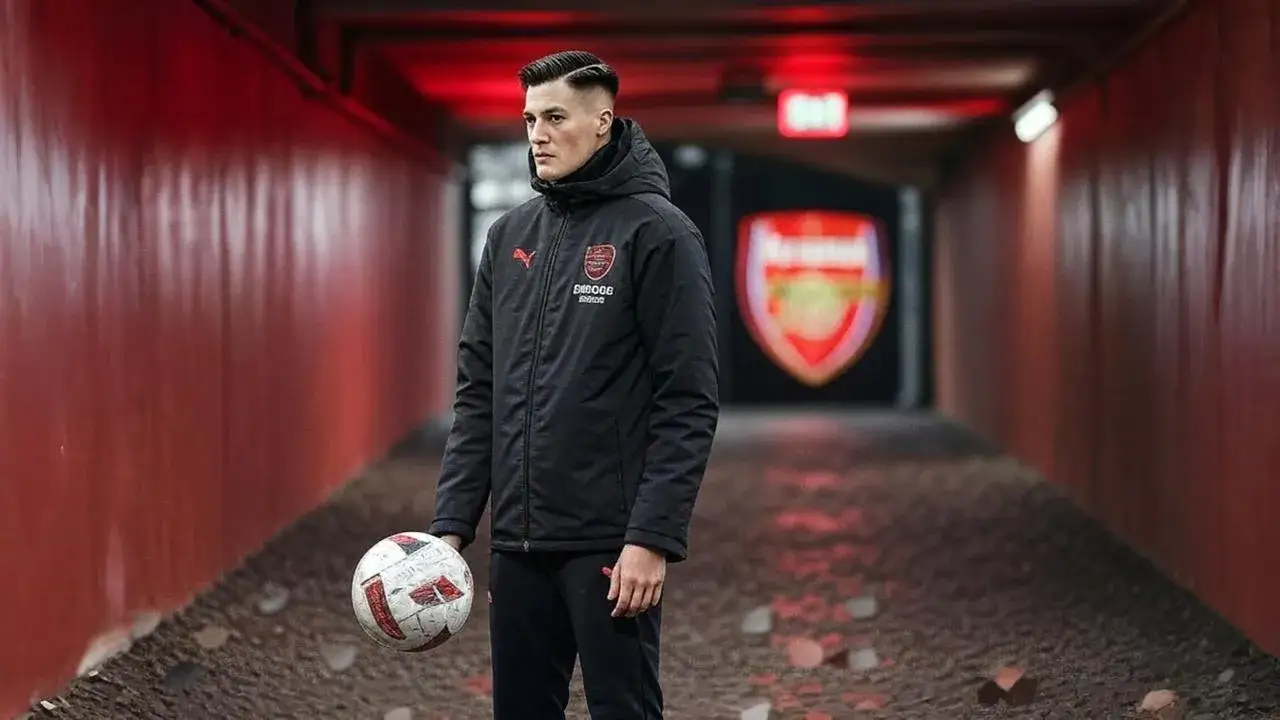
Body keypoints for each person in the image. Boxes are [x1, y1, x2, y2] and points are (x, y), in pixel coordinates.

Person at [428, 50, 720, 719]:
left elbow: (688, 402)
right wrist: (450, 528)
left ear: (602, 122)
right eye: (530, 118)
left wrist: (651, 538)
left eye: (555, 117)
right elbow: (478, 392)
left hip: (610, 546)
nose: (537, 133)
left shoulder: (660, 234)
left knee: (624, 709)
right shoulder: (509, 237)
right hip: (519, 543)